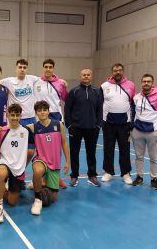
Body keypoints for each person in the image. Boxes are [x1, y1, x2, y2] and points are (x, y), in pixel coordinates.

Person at [0, 104, 35, 224]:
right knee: (1, 174)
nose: (15, 118)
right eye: (12, 115)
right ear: (7, 115)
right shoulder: (2, 131)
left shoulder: (26, 131)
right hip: (5, 163)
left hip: (19, 169)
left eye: (17, 115)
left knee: (12, 202)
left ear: (21, 116)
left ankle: (1, 190)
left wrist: (24, 165)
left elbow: (32, 150)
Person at [28, 101, 69, 215]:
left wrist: (67, 161)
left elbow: (64, 143)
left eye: (44, 110)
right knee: (37, 171)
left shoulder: (58, 125)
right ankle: (37, 199)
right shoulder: (33, 127)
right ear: (36, 113)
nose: (42, 112)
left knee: (53, 199)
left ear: (48, 111)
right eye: (39, 111)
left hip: (54, 163)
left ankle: (41, 182)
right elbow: (15, 127)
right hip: (40, 160)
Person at [33, 58, 68, 188]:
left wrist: (65, 86)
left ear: (53, 69)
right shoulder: (36, 81)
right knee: (41, 150)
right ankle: (43, 177)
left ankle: (56, 177)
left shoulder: (60, 83)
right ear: (43, 68)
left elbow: (65, 98)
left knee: (56, 150)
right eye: (46, 67)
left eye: (50, 67)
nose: (48, 69)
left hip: (56, 117)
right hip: (41, 118)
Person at [65, 69, 103, 187]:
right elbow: (67, 109)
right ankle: (74, 176)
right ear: (80, 77)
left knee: (91, 153)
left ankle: (92, 176)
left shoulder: (97, 92)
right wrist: (69, 125)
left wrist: (98, 125)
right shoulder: (74, 91)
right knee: (74, 153)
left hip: (92, 128)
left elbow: (100, 110)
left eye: (88, 75)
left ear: (91, 77)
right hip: (76, 128)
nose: (86, 76)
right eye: (84, 75)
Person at [131, 74, 157, 190]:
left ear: (152, 83)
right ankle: (139, 177)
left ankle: (154, 180)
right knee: (138, 156)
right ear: (141, 83)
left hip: (152, 132)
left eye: (148, 81)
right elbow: (132, 114)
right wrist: (132, 129)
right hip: (137, 131)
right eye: (144, 81)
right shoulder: (136, 97)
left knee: (153, 158)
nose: (146, 83)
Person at [101, 63, 135, 185]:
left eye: (120, 70)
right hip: (108, 123)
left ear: (123, 71)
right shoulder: (104, 86)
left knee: (124, 149)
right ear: (112, 72)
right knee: (108, 148)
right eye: (115, 70)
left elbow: (132, 104)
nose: (118, 72)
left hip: (124, 124)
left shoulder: (131, 85)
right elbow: (100, 103)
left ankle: (126, 173)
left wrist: (131, 122)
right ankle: (108, 172)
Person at [0, 59, 39, 126]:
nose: (22, 69)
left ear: (27, 69)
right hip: (16, 118)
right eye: (20, 67)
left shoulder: (32, 79)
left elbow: (45, 79)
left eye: (24, 67)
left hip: (31, 117)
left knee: (32, 136)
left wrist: (61, 81)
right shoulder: (8, 81)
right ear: (16, 68)